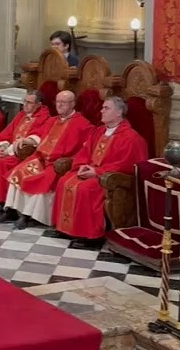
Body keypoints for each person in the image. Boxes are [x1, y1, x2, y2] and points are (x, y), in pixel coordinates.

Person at [52, 96, 148, 244]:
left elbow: (125, 165)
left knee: (86, 188)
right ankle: (67, 229)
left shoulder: (131, 138)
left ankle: (92, 237)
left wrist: (96, 172)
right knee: (65, 181)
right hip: (91, 171)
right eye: (102, 107)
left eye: (106, 108)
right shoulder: (98, 131)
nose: (101, 111)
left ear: (118, 113)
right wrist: (82, 165)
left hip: (110, 179)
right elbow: (84, 152)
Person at [1, 90, 93, 229]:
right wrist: (28, 140)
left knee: (42, 179)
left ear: (73, 104)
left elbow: (86, 149)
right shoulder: (52, 120)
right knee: (19, 170)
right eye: (58, 101)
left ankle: (29, 216)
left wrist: (70, 161)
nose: (59, 105)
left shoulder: (82, 124)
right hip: (41, 158)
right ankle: (13, 210)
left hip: (57, 163)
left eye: (64, 102)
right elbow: (38, 137)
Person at [0, 91, 53, 214]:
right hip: (10, 149)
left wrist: (9, 152)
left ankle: (1, 201)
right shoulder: (22, 115)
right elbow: (8, 133)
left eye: (29, 102)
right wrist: (3, 146)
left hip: (23, 154)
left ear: (39, 104)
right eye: (24, 101)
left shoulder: (44, 119)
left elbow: (35, 140)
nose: (25, 105)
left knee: (2, 163)